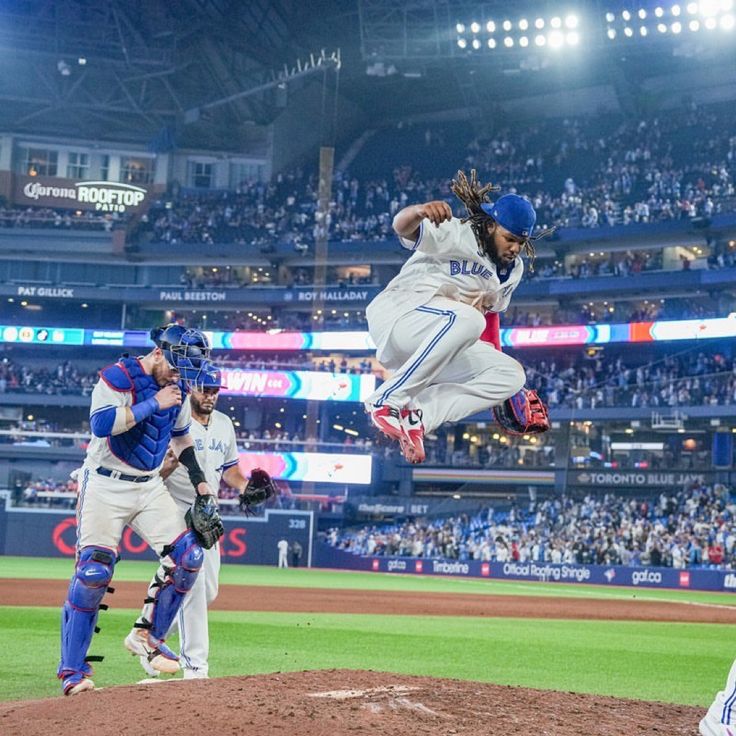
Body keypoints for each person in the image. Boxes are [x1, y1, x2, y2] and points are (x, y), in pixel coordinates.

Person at [57, 325, 223, 696]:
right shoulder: (118, 377)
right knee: (93, 572)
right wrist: (154, 402)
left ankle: (147, 636)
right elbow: (101, 425)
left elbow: (181, 438)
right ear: (160, 353)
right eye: (178, 367)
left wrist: (199, 480)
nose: (182, 378)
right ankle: (72, 673)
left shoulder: (178, 390)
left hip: (148, 484)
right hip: (104, 481)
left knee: (188, 556)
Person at [364, 169, 550, 464]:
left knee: (511, 375)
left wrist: (497, 385)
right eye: (509, 239)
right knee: (468, 320)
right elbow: (402, 227)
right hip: (400, 315)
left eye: (521, 243)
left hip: (437, 340)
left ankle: (419, 417)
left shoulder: (512, 271)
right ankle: (387, 400)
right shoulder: (459, 232)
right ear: (490, 226)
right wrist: (419, 211)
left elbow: (489, 322)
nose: (515, 248)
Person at [134, 362, 274, 680]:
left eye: (215, 390)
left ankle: (149, 639)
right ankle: (195, 666)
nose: (210, 395)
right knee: (193, 586)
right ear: (191, 388)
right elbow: (152, 474)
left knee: (207, 590)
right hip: (174, 509)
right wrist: (168, 467)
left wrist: (246, 488)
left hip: (207, 512)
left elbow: (231, 471)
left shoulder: (224, 424)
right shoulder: (175, 419)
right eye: (205, 388)